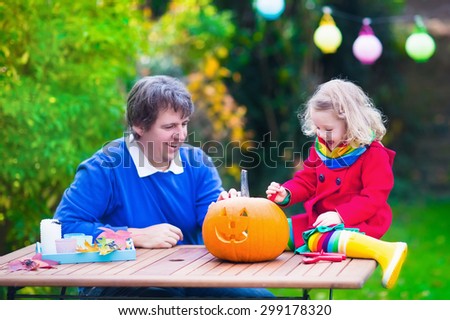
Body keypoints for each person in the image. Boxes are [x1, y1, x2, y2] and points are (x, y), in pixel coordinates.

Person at [54, 75, 273, 298]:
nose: (181, 135)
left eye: (184, 124)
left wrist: (226, 211)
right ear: (139, 126)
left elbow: (211, 226)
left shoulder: (197, 163)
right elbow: (62, 229)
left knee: (262, 301)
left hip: (189, 275)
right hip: (120, 281)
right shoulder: (104, 167)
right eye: (169, 126)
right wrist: (133, 236)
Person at [266, 79, 407, 289]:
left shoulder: (372, 153)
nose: (322, 134)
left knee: (316, 239)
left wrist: (341, 215)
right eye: (317, 128)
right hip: (322, 220)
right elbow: (307, 180)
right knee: (274, 231)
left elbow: (373, 198)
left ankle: (387, 251)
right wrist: (286, 193)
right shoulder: (322, 148)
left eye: (328, 128)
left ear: (350, 122)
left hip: (359, 221)